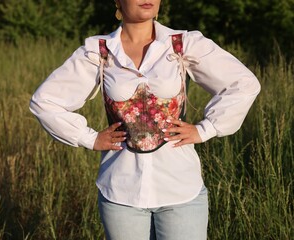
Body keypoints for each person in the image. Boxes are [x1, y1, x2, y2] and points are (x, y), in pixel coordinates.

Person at [29, 0, 261, 239]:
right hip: (121, 191)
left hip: (181, 188)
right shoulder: (99, 51)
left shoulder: (182, 45)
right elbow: (45, 101)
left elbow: (243, 84)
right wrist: (88, 138)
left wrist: (207, 128)